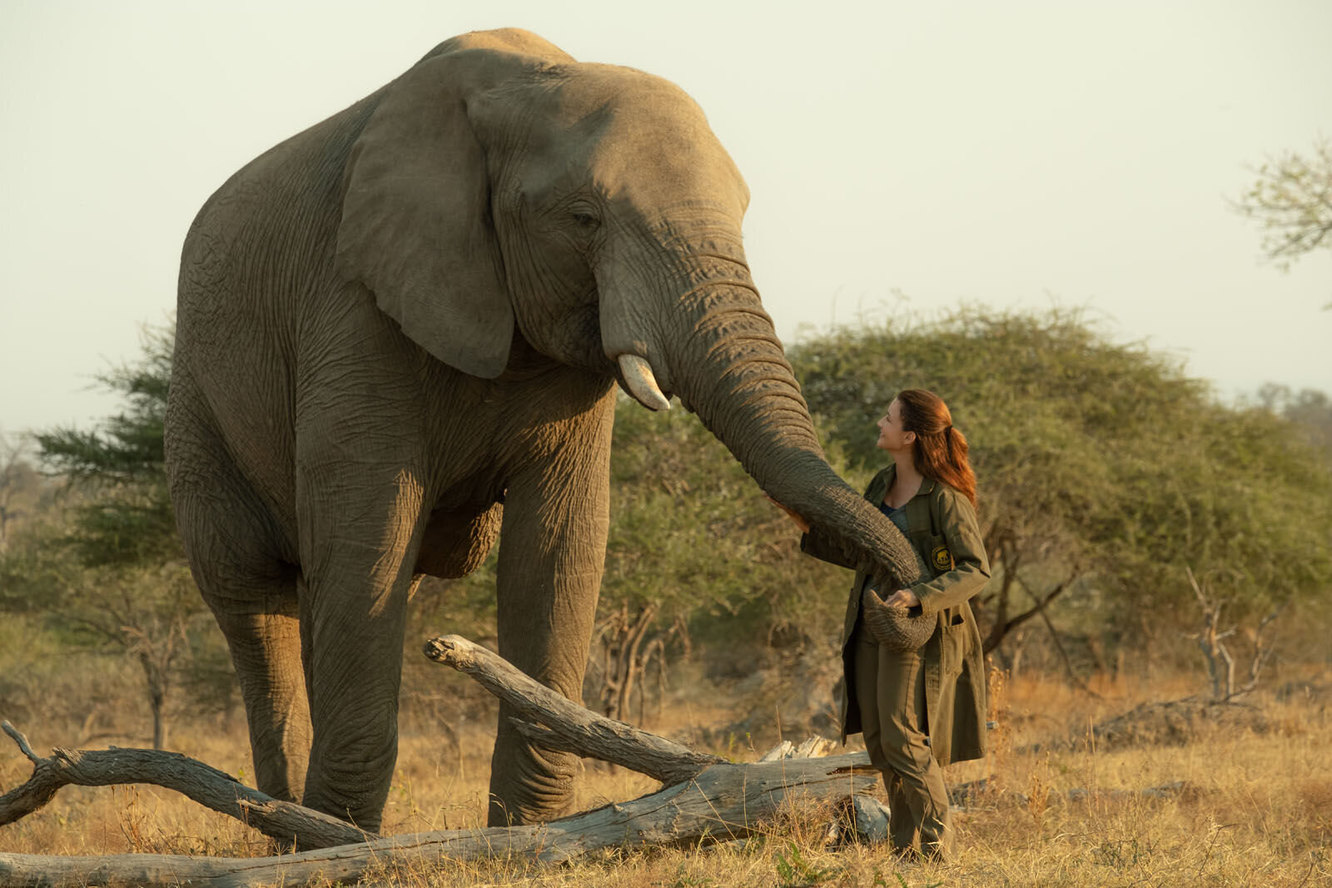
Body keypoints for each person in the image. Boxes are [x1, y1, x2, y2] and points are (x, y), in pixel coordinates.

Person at [774, 389, 990, 861]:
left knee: (901, 735)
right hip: (870, 624)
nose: (880, 423)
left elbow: (976, 569)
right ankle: (903, 848)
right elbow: (859, 552)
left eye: (888, 418)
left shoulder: (944, 498)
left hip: (917, 631)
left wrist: (919, 595)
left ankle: (937, 849)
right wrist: (804, 526)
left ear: (910, 435)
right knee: (877, 739)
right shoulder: (880, 483)